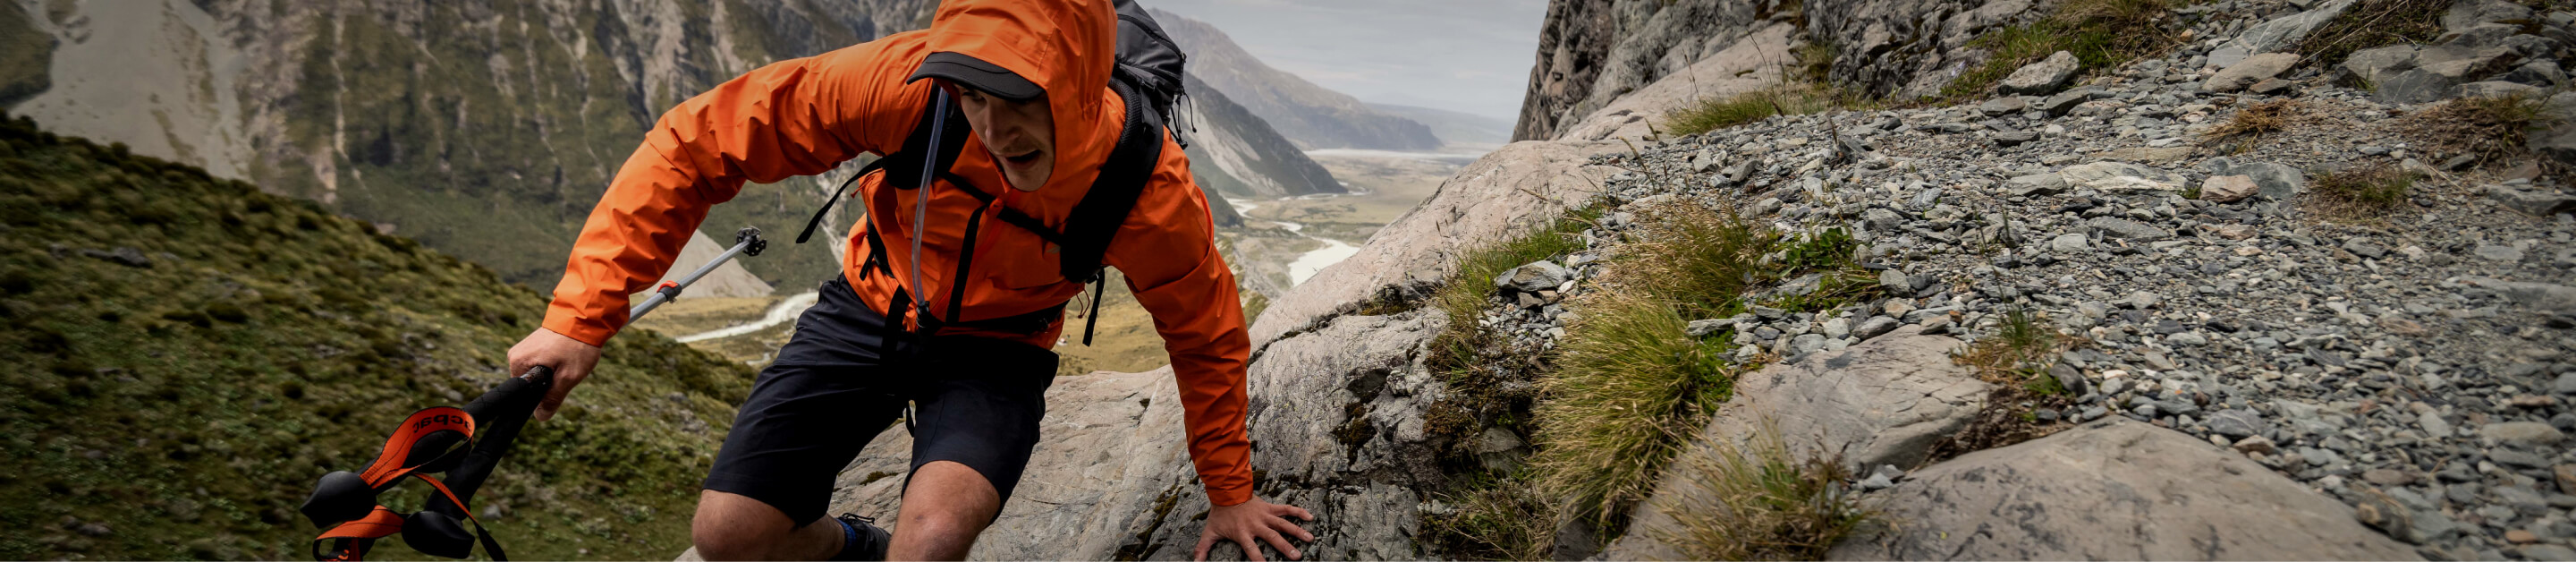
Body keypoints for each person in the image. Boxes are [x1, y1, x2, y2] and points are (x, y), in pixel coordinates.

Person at [501, 0, 1314, 559]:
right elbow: (698, 141)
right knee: (728, 538)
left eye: (1016, 99)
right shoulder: (907, 84)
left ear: (1076, 82)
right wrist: (581, 317)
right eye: (971, 96)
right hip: (868, 309)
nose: (992, 129)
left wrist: (1229, 491)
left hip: (998, 351)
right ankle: (852, 545)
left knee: (929, 542)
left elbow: (1204, 333)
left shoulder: (1144, 185)